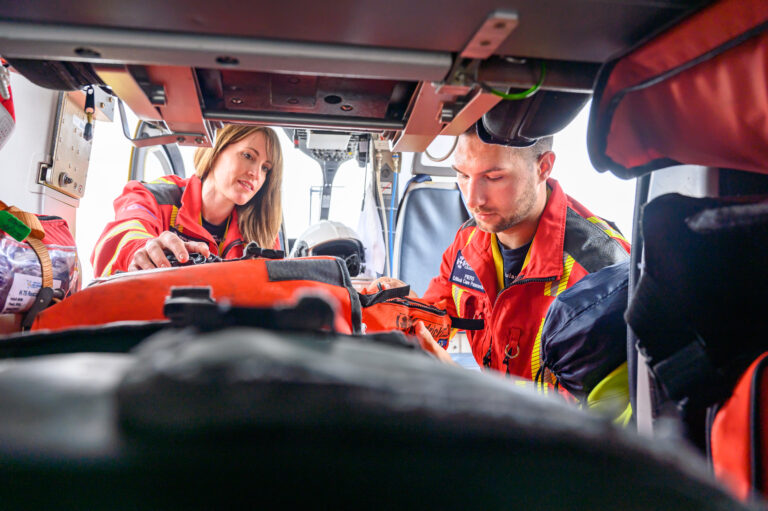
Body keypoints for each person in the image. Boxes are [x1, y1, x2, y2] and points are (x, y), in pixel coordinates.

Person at [368, 128, 630, 378]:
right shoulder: (468, 242)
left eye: (494, 178)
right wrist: (408, 309)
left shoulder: (604, 273)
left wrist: (456, 380)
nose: (473, 199)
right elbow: (441, 315)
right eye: (462, 175)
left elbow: (593, 415)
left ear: (543, 167)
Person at [92, 125, 283, 277]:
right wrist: (141, 250)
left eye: (265, 168)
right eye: (248, 156)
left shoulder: (261, 232)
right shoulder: (152, 196)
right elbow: (122, 234)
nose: (256, 174)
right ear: (216, 149)